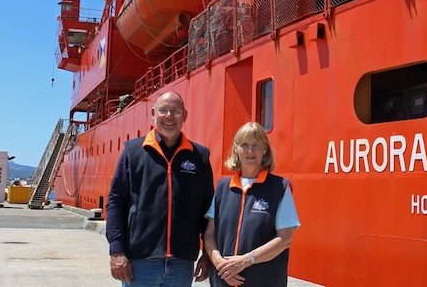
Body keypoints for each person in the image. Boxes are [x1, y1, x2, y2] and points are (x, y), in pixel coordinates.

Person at [106, 91, 215, 286]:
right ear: (153, 114)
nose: (169, 116)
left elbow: (208, 209)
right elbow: (116, 202)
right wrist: (117, 251)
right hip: (139, 262)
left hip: (182, 264)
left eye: (175, 111)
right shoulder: (134, 151)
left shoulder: (200, 156)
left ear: (185, 116)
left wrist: (207, 254)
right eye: (163, 111)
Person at [204, 122, 300, 287]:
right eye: (245, 145)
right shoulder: (223, 187)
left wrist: (245, 261)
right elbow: (209, 234)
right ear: (236, 149)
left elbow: (285, 239)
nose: (250, 150)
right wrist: (220, 264)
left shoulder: (280, 188)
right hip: (223, 281)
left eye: (256, 145)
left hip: (263, 282)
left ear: (265, 150)